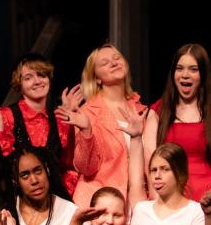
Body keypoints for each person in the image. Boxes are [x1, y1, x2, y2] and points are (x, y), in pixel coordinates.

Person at [60, 43, 147, 212]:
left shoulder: (141, 109)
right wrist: (86, 132)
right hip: (98, 205)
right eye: (105, 63)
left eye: (117, 58)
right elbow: (86, 168)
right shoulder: (87, 113)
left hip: (135, 204)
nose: (114, 63)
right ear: (97, 78)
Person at [144, 43, 211, 199]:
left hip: (206, 195)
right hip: (167, 195)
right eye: (179, 69)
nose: (185, 75)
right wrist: (158, 201)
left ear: (204, 75)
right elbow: (151, 164)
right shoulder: (158, 111)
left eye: (193, 69)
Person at [0, 53, 81, 196]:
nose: (37, 81)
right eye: (28, 78)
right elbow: (1, 164)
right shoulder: (6, 116)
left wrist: (63, 196)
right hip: (17, 198)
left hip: (55, 199)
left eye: (42, 75)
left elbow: (68, 167)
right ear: (20, 84)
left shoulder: (58, 118)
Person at [8, 147, 79, 225]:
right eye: (25, 175)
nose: (34, 180)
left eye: (38, 171)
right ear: (15, 181)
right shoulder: (8, 211)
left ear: (47, 170)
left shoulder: (70, 213)